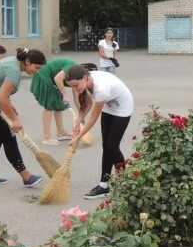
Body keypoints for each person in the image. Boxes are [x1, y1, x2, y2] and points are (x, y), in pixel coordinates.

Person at [0, 48, 46, 187]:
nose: (37, 71)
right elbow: (1, 97)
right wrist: (15, 120)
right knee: (8, 136)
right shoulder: (14, 71)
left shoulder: (14, 62)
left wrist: (9, 106)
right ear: (28, 61)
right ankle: (26, 176)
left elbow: (0, 89)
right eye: (36, 67)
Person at [65, 65, 134, 199]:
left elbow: (93, 118)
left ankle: (125, 182)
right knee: (106, 146)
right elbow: (88, 105)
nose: (74, 89)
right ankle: (104, 185)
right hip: (109, 105)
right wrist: (78, 120)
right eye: (71, 86)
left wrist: (78, 137)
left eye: (75, 85)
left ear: (85, 78)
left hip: (122, 107)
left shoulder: (101, 88)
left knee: (112, 146)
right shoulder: (87, 81)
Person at [30, 57, 76, 145]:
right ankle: (47, 137)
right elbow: (58, 79)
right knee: (49, 105)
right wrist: (65, 94)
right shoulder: (71, 66)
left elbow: (76, 95)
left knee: (58, 103)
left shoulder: (76, 75)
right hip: (43, 74)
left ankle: (61, 132)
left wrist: (81, 116)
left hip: (49, 76)